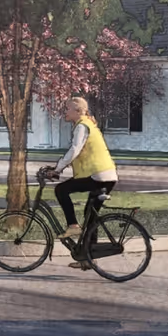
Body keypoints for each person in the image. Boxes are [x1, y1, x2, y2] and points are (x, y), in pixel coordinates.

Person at [48, 96, 117, 271]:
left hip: (99, 175)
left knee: (61, 190)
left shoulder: (82, 126)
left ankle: (72, 226)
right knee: (91, 216)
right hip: (105, 175)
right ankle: (88, 258)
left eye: (68, 109)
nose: (65, 111)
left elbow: (75, 149)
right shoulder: (87, 123)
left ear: (78, 111)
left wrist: (58, 169)